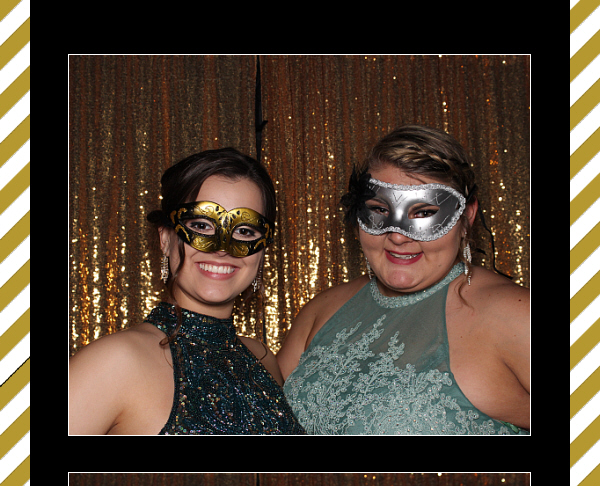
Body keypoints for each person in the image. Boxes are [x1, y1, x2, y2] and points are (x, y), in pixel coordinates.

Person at [278, 125, 529, 436]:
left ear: (467, 216)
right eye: (379, 209)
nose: (397, 236)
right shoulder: (323, 310)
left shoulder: (515, 315)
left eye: (423, 213)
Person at [69, 148, 304, 436]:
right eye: (201, 225)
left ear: (263, 249)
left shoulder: (262, 359)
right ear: (165, 239)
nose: (222, 248)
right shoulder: (114, 362)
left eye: (244, 231)